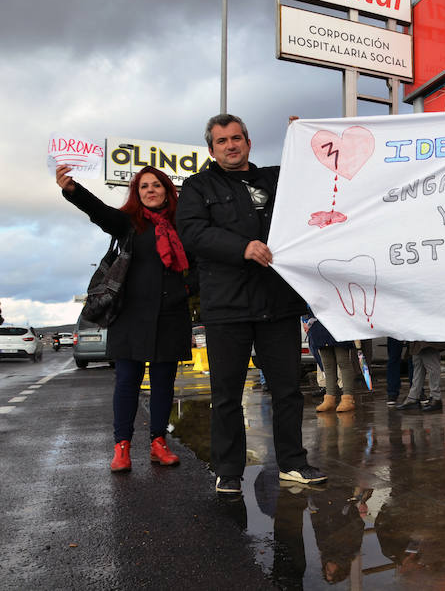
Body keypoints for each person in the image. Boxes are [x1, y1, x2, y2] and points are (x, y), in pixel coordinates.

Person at [177, 113, 326, 493]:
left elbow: (317, 177)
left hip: (278, 302)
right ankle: (228, 471)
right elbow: (192, 232)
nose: (231, 145)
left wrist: (306, 136)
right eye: (222, 140)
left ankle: (293, 463)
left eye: (237, 138)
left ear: (248, 141)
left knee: (288, 390)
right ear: (211, 149)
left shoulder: (277, 178)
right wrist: (241, 247)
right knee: (227, 394)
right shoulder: (198, 186)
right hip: (227, 307)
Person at [56, 164, 190, 472]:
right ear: (137, 193)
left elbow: (197, 265)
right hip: (130, 316)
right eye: (144, 186)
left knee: (163, 384)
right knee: (127, 382)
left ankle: (159, 443)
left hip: (170, 316)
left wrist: (186, 288)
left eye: (156, 185)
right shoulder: (128, 223)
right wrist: (73, 190)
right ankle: (122, 448)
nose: (150, 190)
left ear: (167, 191)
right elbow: (100, 212)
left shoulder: (183, 225)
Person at [305, 308, 357, 413]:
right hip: (318, 324)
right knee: (327, 364)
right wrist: (305, 320)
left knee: (343, 361)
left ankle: (347, 397)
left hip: (338, 321)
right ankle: (329, 397)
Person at [395, 341, 445, 412]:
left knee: (431, 365)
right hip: (419, 338)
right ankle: (413, 398)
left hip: (427, 338)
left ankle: (435, 397)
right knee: (418, 365)